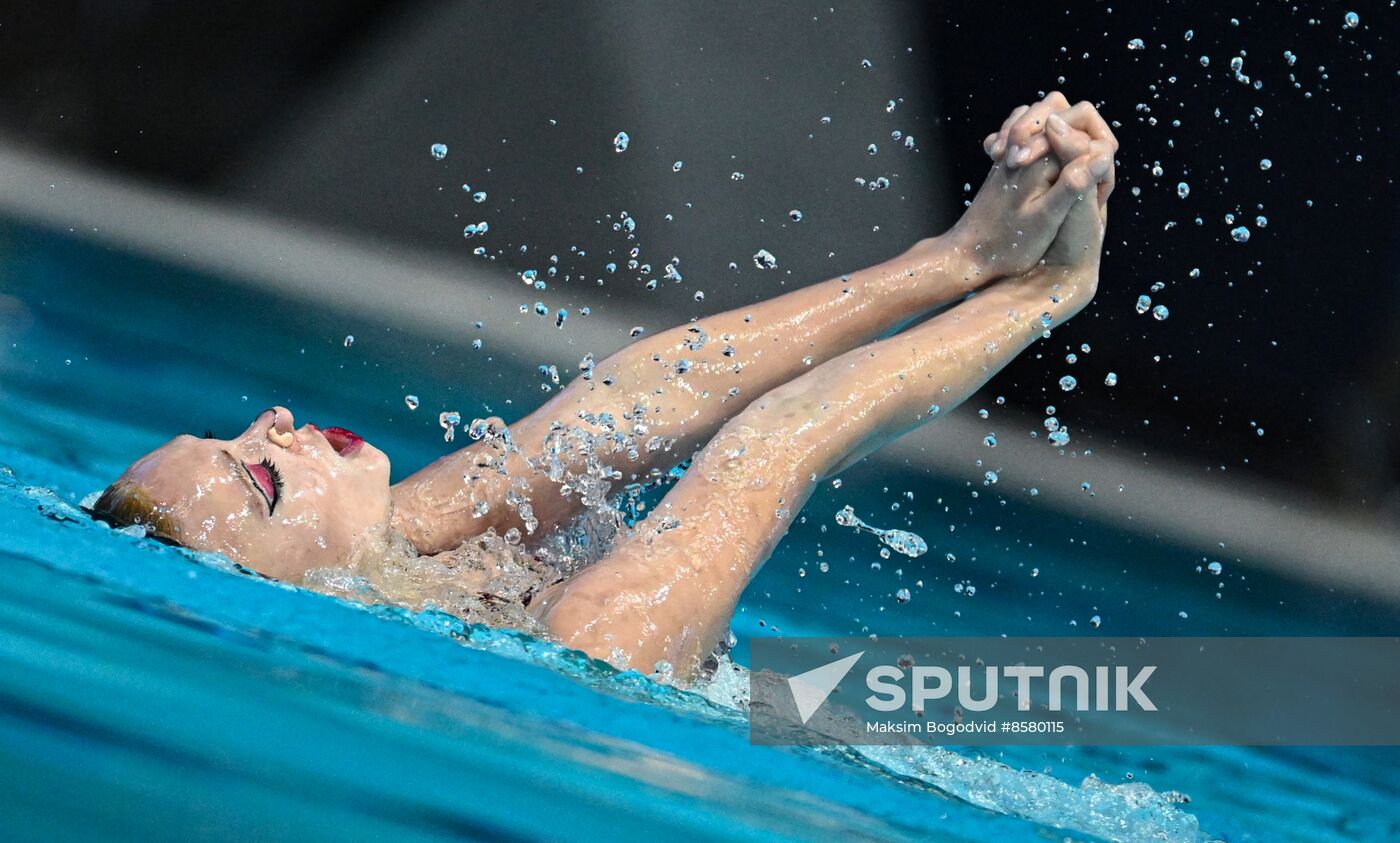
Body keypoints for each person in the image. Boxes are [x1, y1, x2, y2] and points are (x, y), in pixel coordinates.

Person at [91, 93, 1116, 681]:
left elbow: (636, 399)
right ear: (292, 593)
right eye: (259, 480)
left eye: (231, 433)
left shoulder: (397, 548)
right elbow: (776, 446)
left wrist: (954, 256)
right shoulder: (594, 635)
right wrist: (1042, 293)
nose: (270, 424)